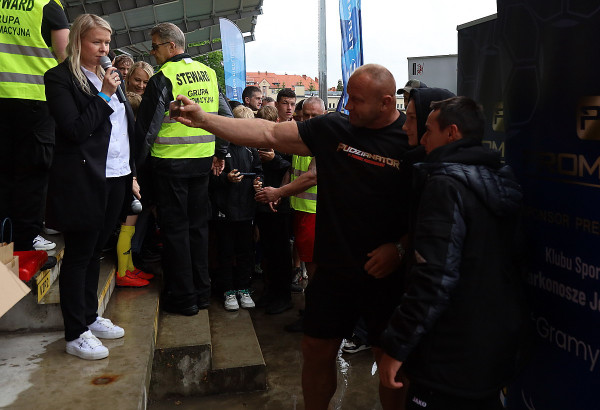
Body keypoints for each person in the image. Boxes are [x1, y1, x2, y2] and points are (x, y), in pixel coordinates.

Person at [173, 64, 412, 410]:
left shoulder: (412, 139)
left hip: (386, 275)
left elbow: (432, 211)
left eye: (357, 101)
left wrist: (401, 247)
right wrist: (205, 119)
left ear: (387, 102)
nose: (347, 106)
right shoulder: (335, 128)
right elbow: (268, 132)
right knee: (316, 349)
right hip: (334, 269)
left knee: (389, 359)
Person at [378, 97, 529, 410]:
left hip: (449, 354)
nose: (422, 138)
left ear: (452, 133)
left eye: (429, 130)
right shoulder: (499, 178)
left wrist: (396, 346)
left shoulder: (445, 185)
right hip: (490, 348)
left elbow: (434, 277)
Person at [44, 14, 136, 360]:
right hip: (84, 178)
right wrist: (104, 94)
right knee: (79, 254)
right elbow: (74, 130)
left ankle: (90, 315)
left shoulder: (108, 77)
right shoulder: (60, 78)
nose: (104, 49)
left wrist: (133, 172)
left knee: (97, 250)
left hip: (117, 175)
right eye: (96, 42)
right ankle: (75, 332)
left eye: (107, 43)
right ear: (78, 41)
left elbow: (124, 127)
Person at [135, 22, 231, 316]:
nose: (152, 53)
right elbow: (225, 117)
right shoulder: (209, 74)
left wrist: (136, 169)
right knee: (198, 229)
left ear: (171, 46)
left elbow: (147, 130)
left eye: (155, 46)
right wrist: (221, 152)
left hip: (170, 165)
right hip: (202, 162)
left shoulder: (163, 77)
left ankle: (183, 298)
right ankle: (202, 294)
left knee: (175, 231)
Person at [0, 0, 69, 252]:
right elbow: (65, 54)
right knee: (32, 174)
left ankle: (3, 236)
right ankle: (25, 240)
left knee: (3, 171)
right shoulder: (46, 5)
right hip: (35, 99)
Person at [211, 105, 263, 311]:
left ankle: (243, 287)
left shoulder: (252, 149)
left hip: (246, 211)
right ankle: (228, 290)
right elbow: (211, 180)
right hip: (224, 211)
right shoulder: (221, 150)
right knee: (225, 251)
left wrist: (258, 182)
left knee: (245, 251)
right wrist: (227, 179)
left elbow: (259, 172)